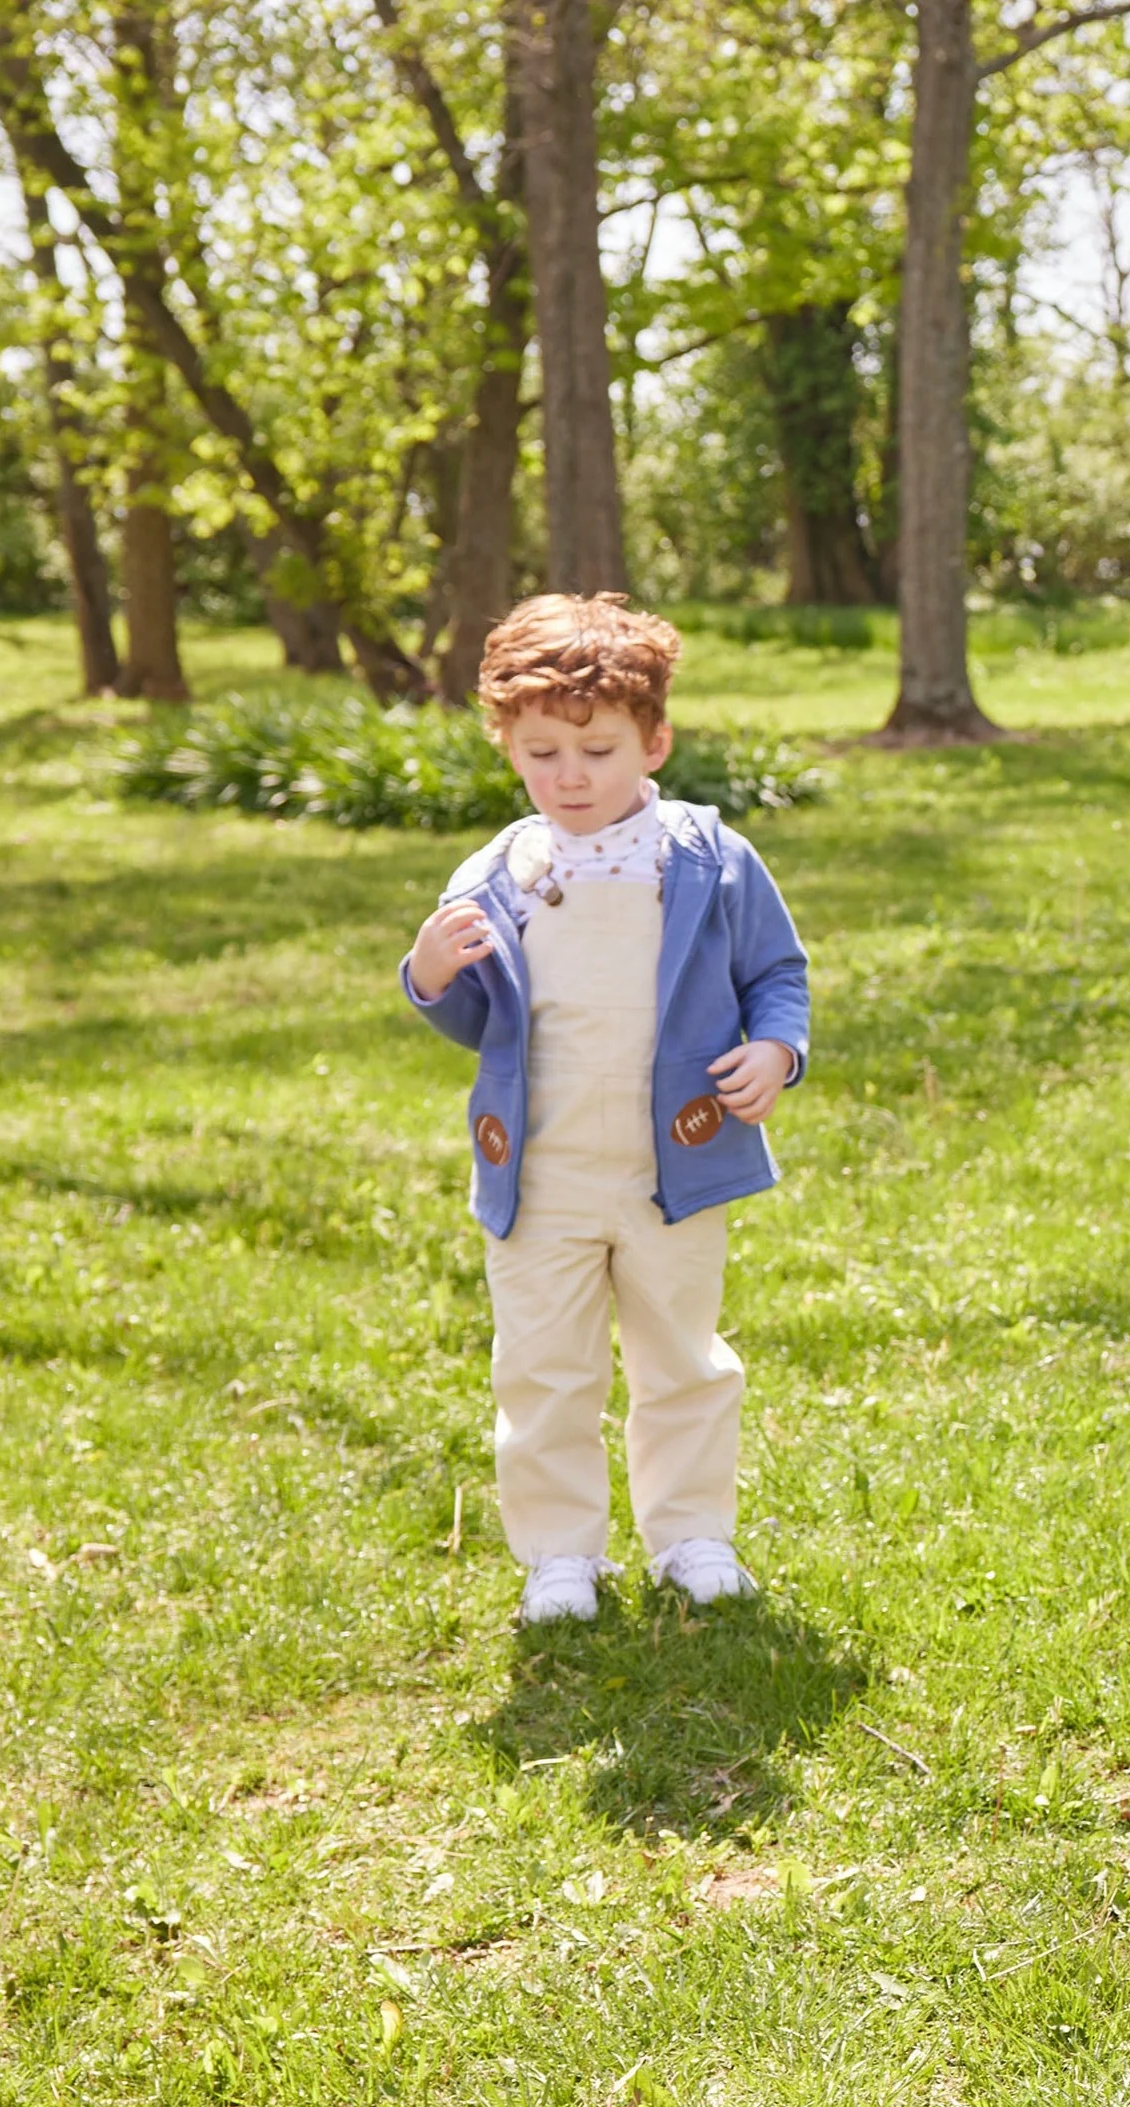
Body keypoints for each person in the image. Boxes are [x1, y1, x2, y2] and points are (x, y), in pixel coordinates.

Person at [401, 593, 811, 1628]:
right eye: (542, 753)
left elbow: (778, 972)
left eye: (595, 748)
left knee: (683, 1355)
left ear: (654, 740)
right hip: (540, 1175)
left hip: (676, 1165)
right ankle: (559, 1554)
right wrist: (430, 970)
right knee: (543, 1368)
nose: (569, 776)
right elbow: (473, 1024)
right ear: (510, 748)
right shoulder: (499, 874)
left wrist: (777, 1047)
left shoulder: (710, 860)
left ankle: (690, 1534)